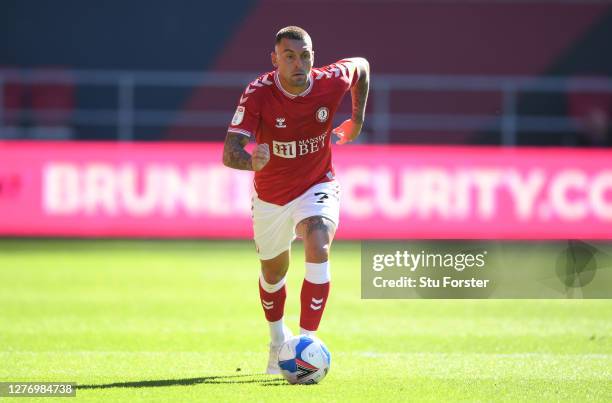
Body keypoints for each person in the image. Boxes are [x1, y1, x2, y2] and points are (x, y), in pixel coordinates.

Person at [222, 25, 370, 374]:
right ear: (275, 60)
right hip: (271, 196)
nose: (298, 63)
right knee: (274, 272)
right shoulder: (258, 94)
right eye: (289, 56)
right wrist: (250, 161)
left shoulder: (329, 81)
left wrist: (357, 120)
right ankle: (278, 342)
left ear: (313, 57)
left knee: (318, 243)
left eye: (305, 56)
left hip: (317, 184)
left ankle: (306, 345)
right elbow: (229, 153)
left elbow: (361, 66)